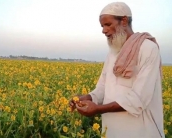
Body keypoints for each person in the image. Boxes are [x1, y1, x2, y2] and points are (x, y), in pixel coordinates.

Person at [69, 2, 165, 138]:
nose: (103, 30)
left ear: (124, 21)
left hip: (140, 131)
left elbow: (138, 99)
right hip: (111, 130)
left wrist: (97, 109)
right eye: (102, 26)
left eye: (108, 24)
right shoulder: (113, 53)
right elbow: (102, 87)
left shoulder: (148, 48)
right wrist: (88, 98)